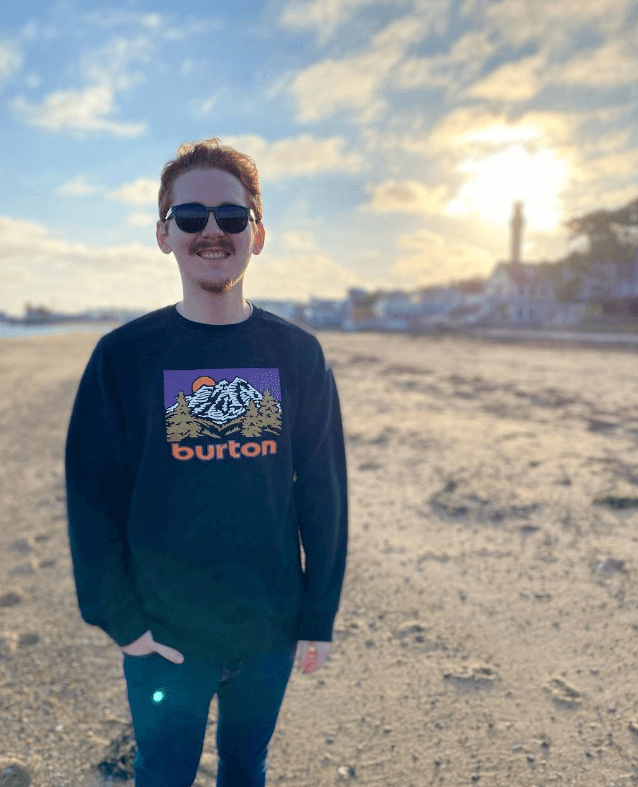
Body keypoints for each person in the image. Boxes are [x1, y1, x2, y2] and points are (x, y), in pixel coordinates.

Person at [64, 138, 348, 787]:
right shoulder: (123, 356)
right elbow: (91, 496)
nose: (212, 230)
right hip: (164, 634)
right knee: (162, 772)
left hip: (269, 629)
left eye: (232, 215)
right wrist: (121, 620)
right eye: (191, 217)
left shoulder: (298, 354)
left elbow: (323, 492)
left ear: (259, 232)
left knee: (247, 766)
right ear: (164, 234)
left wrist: (318, 614)